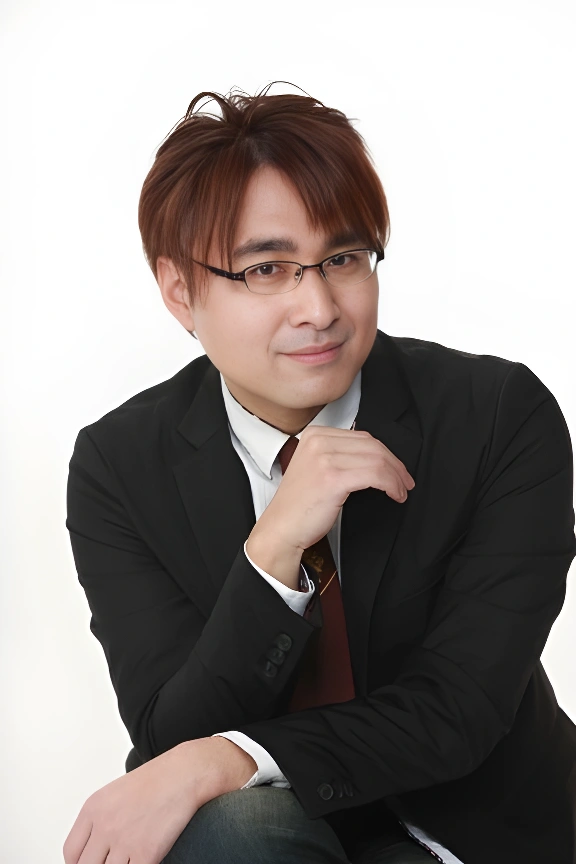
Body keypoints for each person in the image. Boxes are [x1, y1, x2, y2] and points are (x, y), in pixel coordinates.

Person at [63, 83, 576, 864]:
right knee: (230, 830)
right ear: (179, 291)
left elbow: (461, 708)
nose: (319, 307)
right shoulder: (119, 465)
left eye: (343, 258)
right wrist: (272, 554)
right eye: (267, 269)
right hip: (263, 838)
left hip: (477, 833)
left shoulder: (498, 415)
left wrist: (226, 758)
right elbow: (170, 734)